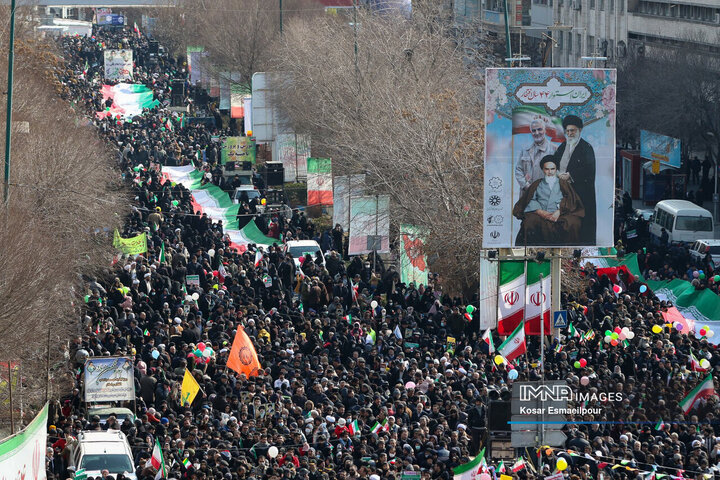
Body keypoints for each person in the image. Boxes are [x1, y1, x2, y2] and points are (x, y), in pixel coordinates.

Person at [512, 155, 585, 245]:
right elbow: (531, 200)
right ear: (543, 169)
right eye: (547, 169)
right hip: (541, 215)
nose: (550, 172)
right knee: (529, 222)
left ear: (556, 169)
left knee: (573, 223)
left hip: (561, 214)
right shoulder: (537, 184)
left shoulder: (564, 184)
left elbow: (570, 200)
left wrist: (559, 211)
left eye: (552, 169)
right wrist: (540, 212)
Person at [555, 114, 596, 245]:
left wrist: (571, 175)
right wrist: (556, 173)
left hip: (581, 195)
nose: (570, 133)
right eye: (567, 131)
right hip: (563, 194)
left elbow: (589, 170)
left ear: (579, 130)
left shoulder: (586, 148)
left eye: (572, 130)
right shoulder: (562, 147)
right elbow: (554, 163)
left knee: (580, 229)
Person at [514, 119, 557, 192]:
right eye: (533, 130)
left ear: (545, 130)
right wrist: (526, 185)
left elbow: (559, 172)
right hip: (527, 194)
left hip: (547, 194)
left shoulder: (554, 149)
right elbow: (518, 170)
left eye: (539, 129)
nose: (537, 133)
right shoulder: (525, 150)